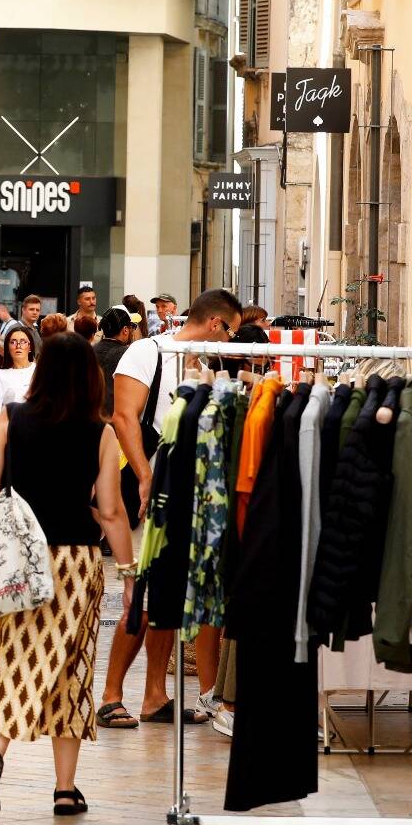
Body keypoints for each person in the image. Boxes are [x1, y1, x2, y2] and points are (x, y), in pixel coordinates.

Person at [0, 332, 134, 825]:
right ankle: (64, 790)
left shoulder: (12, 420)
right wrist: (127, 573)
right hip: (75, 565)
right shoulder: (101, 432)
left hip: (15, 559)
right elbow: (112, 510)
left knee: (9, 663)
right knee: (71, 669)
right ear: (90, 377)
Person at [100, 288, 243, 728]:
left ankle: (155, 696)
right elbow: (123, 416)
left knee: (169, 598)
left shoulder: (207, 364)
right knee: (141, 599)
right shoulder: (148, 351)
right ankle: (111, 695)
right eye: (232, 331)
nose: (232, 341)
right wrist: (145, 475)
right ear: (216, 323)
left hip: (188, 489)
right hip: (149, 485)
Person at [0, 320, 37, 441]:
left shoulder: (41, 371)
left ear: (30, 347)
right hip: (9, 438)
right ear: (7, 348)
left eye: (23, 342)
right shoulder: (0, 375)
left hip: (37, 436)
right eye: (13, 342)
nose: (18, 345)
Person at [93, 307, 137, 419]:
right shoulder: (129, 354)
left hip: (90, 418)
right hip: (117, 419)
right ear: (125, 330)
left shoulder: (89, 351)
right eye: (133, 327)